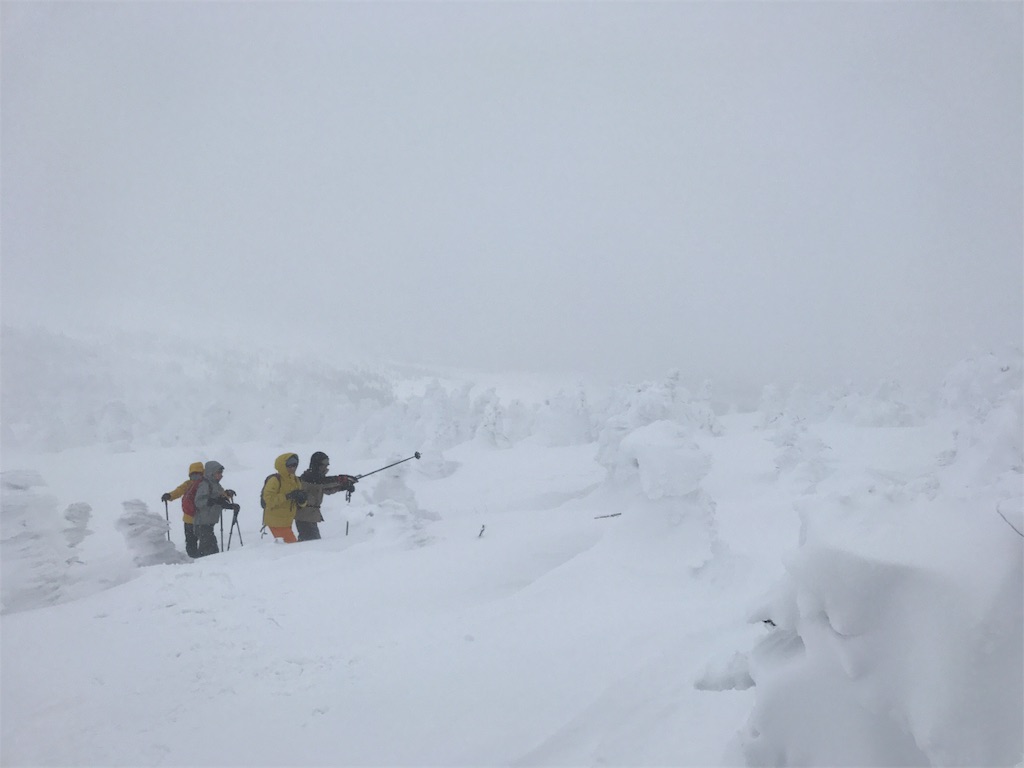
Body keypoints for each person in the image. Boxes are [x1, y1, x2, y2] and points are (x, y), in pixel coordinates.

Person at [297, 451, 357, 541]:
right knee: (311, 544)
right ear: (317, 465)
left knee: (309, 542)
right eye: (324, 464)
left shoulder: (315, 478)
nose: (326, 467)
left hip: (309, 516)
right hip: (305, 516)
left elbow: (327, 489)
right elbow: (324, 483)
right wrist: (342, 479)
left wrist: (343, 487)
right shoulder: (310, 477)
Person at [192, 460, 238, 557]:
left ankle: (204, 565)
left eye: (221, 473)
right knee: (208, 549)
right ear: (211, 473)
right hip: (202, 523)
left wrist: (229, 503)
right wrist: (212, 501)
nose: (221, 475)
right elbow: (198, 501)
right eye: (219, 473)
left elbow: (220, 498)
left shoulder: (215, 484)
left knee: (210, 548)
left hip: (208, 522)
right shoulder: (205, 484)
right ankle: (201, 567)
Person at [261, 453, 309, 543]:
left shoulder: (295, 480)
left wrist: (302, 500)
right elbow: (268, 500)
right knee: (292, 547)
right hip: (275, 521)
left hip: (287, 521)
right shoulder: (275, 480)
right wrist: (288, 496)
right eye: (289, 465)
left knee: (286, 548)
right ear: (282, 465)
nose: (293, 468)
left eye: (295, 465)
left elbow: (301, 503)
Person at [161, 461, 204, 558]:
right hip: (199, 519)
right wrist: (170, 495)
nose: (195, 478)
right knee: (202, 540)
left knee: (191, 541)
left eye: (197, 475)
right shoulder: (203, 484)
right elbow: (179, 491)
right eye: (193, 475)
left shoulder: (189, 484)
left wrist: (170, 496)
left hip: (191, 519)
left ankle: (195, 557)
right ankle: (200, 558)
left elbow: (179, 490)